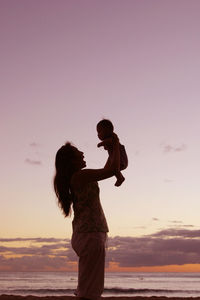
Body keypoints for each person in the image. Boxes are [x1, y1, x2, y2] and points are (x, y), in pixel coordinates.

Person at [53, 134, 120, 300]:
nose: (82, 153)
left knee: (89, 287)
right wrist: (116, 144)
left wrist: (111, 149)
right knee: (90, 292)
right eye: (77, 152)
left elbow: (109, 168)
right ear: (71, 161)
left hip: (88, 234)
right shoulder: (80, 176)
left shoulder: (81, 176)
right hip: (90, 235)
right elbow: (111, 170)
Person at [96, 119, 128, 186]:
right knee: (106, 170)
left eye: (99, 131)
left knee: (113, 169)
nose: (98, 135)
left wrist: (101, 144)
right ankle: (119, 177)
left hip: (120, 157)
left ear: (107, 130)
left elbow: (110, 142)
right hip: (113, 156)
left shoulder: (112, 137)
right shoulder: (110, 138)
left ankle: (120, 178)